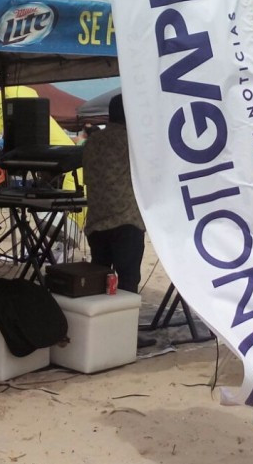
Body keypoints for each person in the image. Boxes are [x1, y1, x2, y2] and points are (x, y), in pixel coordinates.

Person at [81, 95, 153, 347]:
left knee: (100, 278)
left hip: (97, 218)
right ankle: (125, 334)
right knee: (127, 279)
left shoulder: (93, 141)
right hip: (126, 219)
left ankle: (99, 331)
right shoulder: (132, 142)